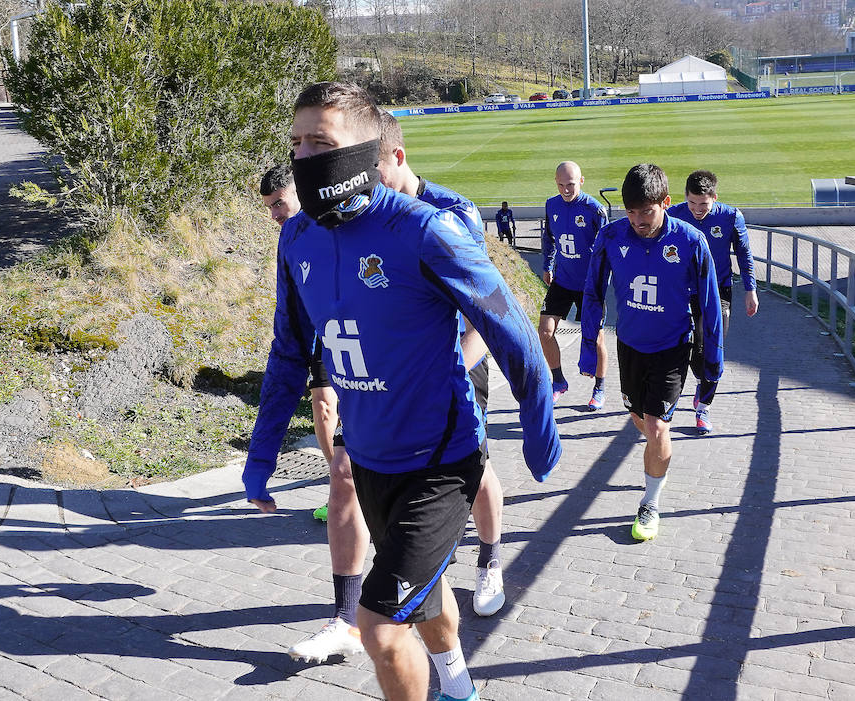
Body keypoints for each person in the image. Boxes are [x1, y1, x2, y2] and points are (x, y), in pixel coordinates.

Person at [243, 81, 560, 701]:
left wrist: (538, 422)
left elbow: (510, 325)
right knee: (426, 592)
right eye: (297, 143)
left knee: (380, 627)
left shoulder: (427, 230)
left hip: (442, 462)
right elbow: (288, 351)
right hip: (370, 460)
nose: (305, 157)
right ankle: (460, 687)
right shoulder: (297, 239)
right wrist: (261, 456)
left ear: (367, 149)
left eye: (321, 142)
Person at [377, 108, 507, 618]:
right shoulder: (371, 215)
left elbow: (489, 309)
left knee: (474, 465)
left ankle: (490, 560)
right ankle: (425, 571)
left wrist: (454, 364)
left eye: (375, 173)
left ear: (398, 157)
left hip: (456, 362)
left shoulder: (454, 213)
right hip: (398, 371)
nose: (366, 187)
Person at [259, 164, 368, 664]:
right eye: (271, 209)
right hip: (332, 348)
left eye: (281, 203)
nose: (278, 214)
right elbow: (287, 336)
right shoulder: (292, 243)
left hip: (407, 382)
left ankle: (488, 554)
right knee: (342, 466)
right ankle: (348, 618)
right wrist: (260, 459)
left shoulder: (398, 222)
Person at [579, 163, 722, 542]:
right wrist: (588, 351)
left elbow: (710, 307)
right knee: (641, 421)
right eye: (631, 211)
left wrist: (713, 364)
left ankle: (651, 502)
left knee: (657, 427)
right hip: (629, 346)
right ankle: (656, 451)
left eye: (647, 211)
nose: (638, 220)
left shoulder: (691, 242)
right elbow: (592, 293)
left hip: (672, 347)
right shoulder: (611, 237)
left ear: (666, 203)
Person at [666, 170, 758, 435]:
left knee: (712, 349)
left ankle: (704, 407)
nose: (697, 210)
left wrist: (751, 290)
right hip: (683, 291)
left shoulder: (730, 217)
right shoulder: (674, 215)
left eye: (703, 204)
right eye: (692, 203)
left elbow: (744, 254)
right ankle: (699, 381)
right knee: (687, 349)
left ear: (714, 198)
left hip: (718, 292)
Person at [539, 161, 608, 409]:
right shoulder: (551, 204)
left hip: (589, 284)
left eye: (570, 184)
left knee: (596, 337)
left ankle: (599, 387)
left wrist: (601, 282)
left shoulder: (594, 209)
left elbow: (605, 249)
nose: (565, 190)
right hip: (562, 279)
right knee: (545, 332)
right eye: (560, 185)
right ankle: (559, 381)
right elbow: (548, 237)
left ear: (581, 181)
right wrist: (547, 265)